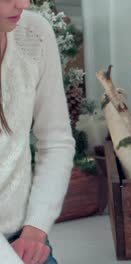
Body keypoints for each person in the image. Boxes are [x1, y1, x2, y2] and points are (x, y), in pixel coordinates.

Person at [0, 0, 75, 263]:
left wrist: (36, 228)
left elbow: (56, 140)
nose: (24, 3)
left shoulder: (34, 34)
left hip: (22, 234)